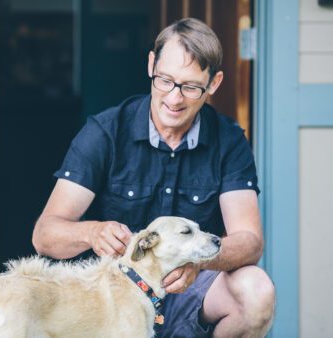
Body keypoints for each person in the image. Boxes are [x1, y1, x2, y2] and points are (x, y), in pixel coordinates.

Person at [32, 18, 275, 337]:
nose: (174, 99)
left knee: (257, 291)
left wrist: (199, 262)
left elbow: (249, 242)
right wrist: (92, 232)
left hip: (189, 289)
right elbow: (44, 235)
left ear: (213, 84)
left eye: (190, 87)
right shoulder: (104, 132)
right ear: (151, 65)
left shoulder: (229, 141)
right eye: (165, 80)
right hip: (116, 295)